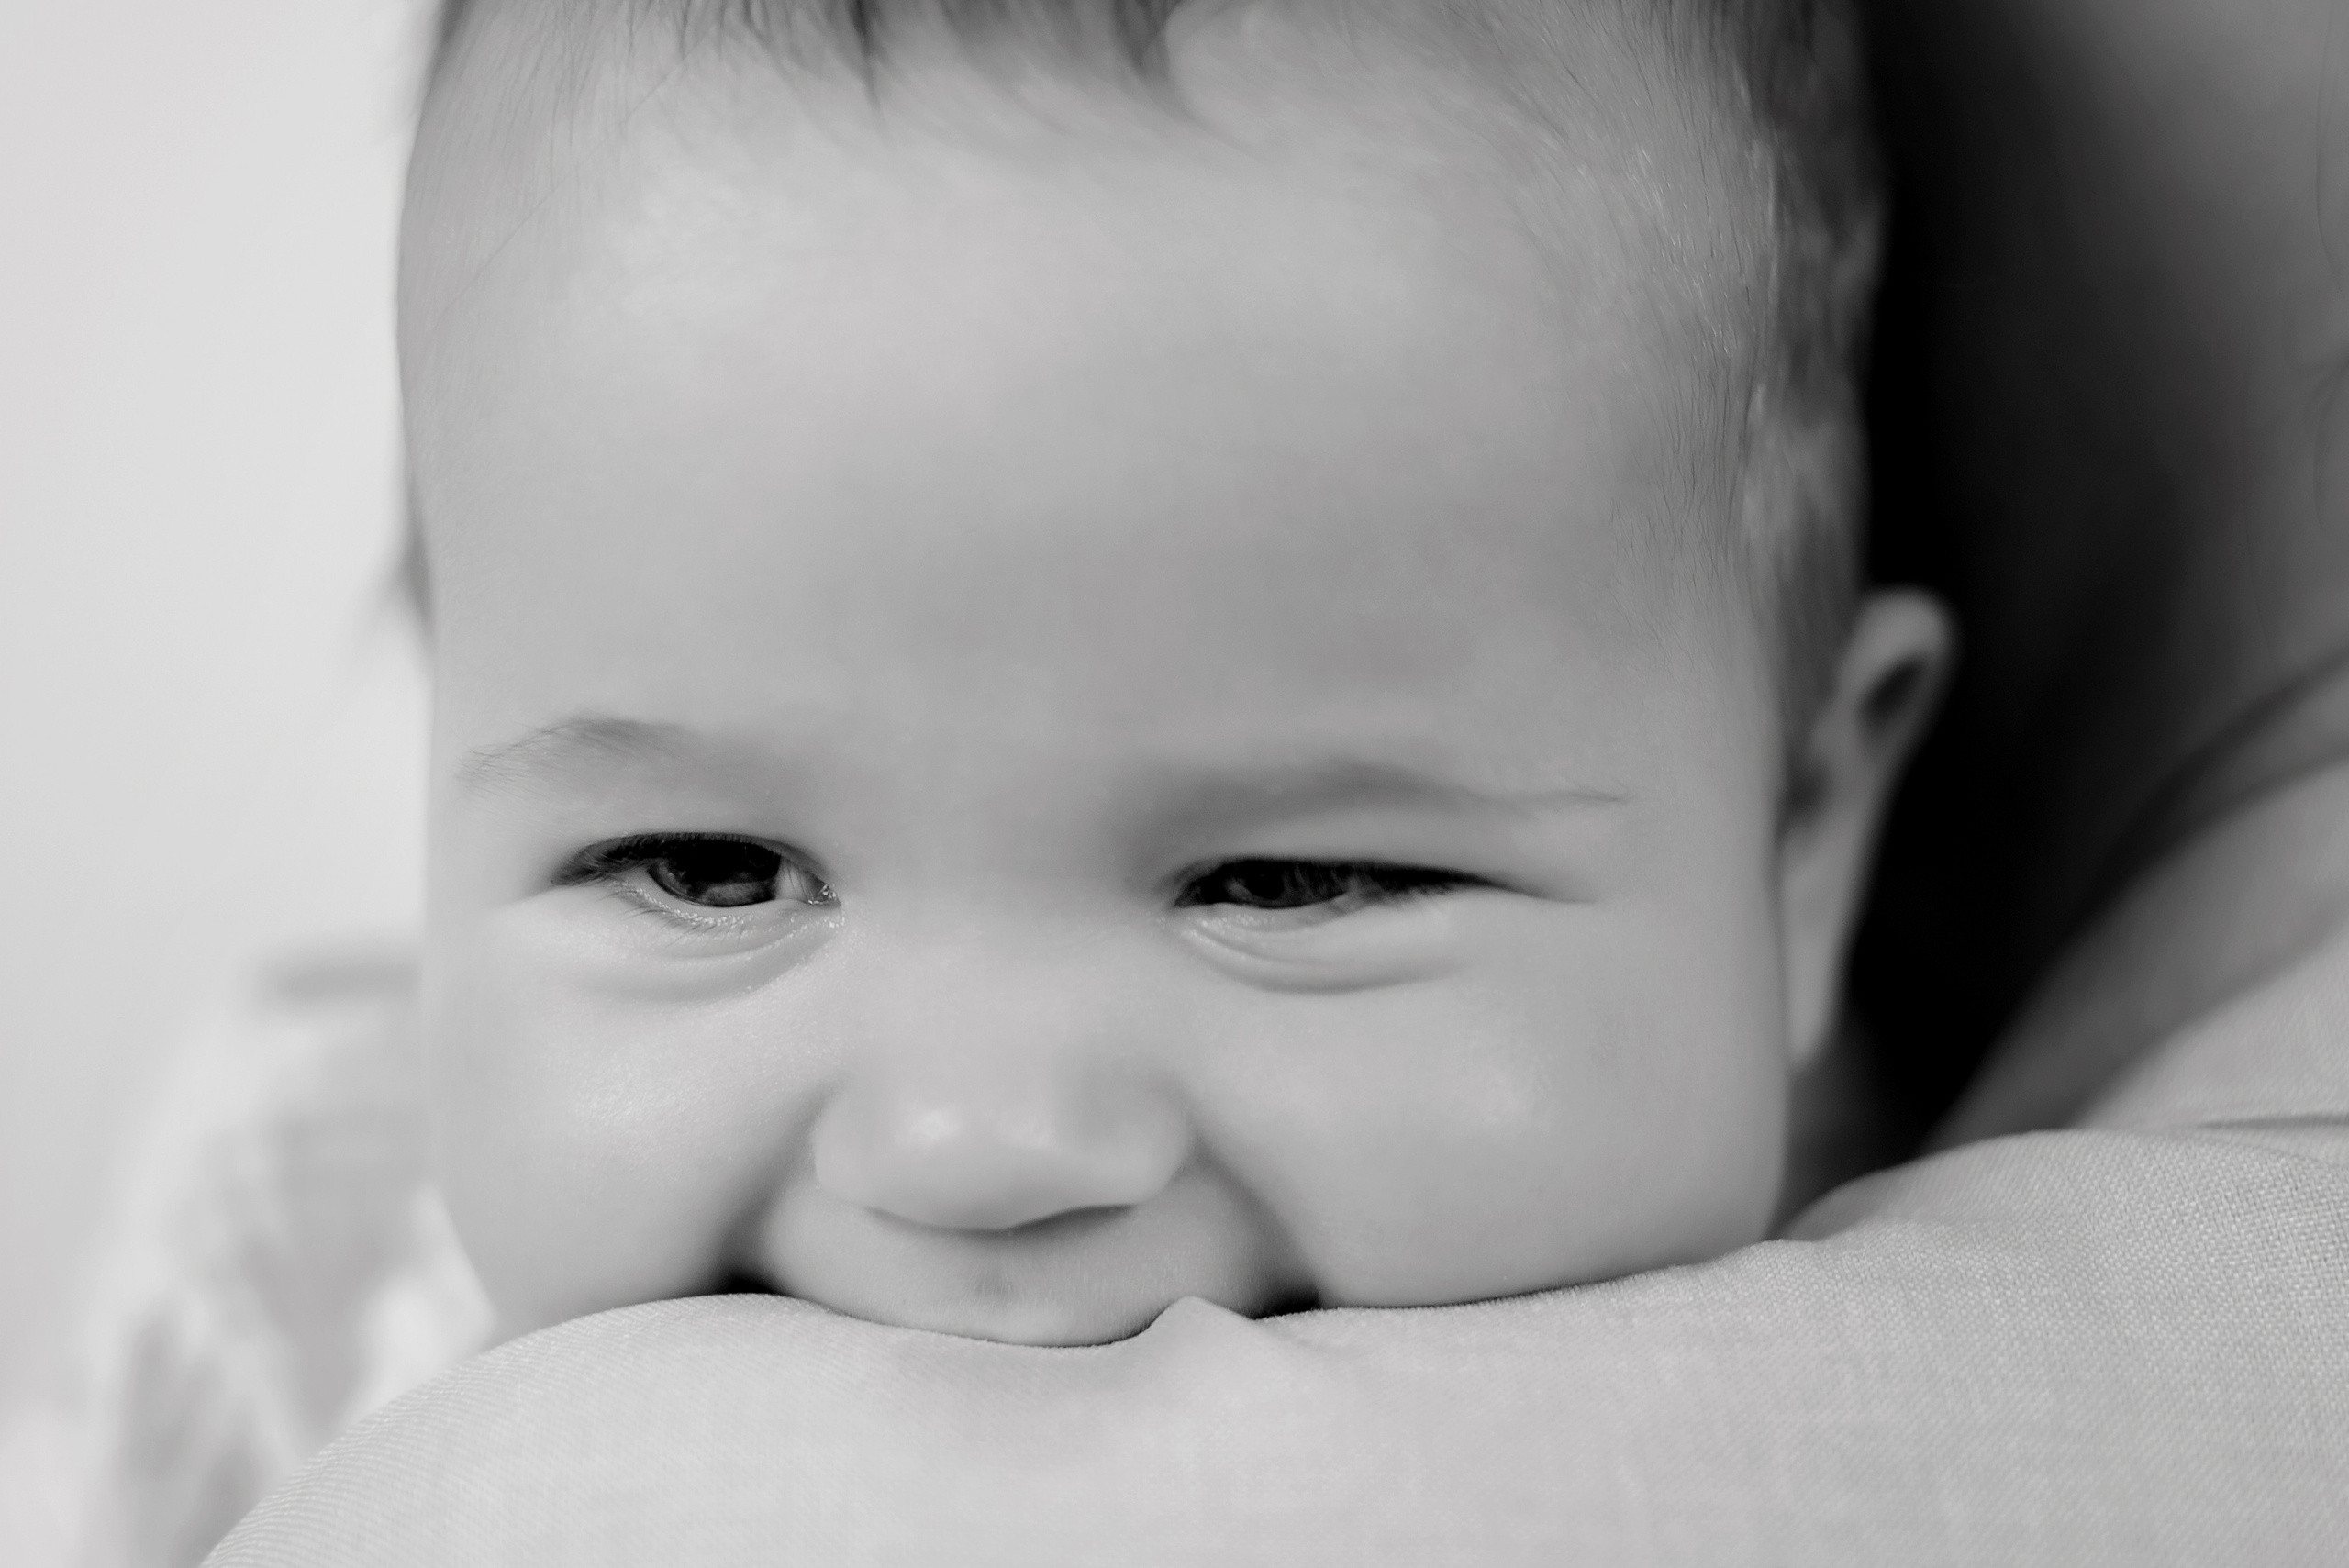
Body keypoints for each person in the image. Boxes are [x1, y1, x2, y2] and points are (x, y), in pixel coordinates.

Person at [69, 0, 2349, 1560]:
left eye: (1291, 881)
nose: (981, 1147)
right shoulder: (285, 1259)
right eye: (699, 864)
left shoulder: (2000, 1362)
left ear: (1807, 837)